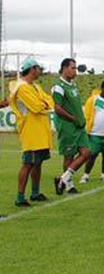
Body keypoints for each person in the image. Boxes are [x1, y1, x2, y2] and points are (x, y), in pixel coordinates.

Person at [8, 58, 53, 207]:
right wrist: (44, 104)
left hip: (40, 130)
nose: (40, 71)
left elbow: (49, 101)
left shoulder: (35, 86)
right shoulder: (22, 88)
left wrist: (45, 103)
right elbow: (36, 107)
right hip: (31, 131)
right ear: (32, 69)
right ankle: (20, 197)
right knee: (28, 163)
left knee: (37, 163)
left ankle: (35, 193)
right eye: (38, 68)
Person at [53, 58, 91, 195]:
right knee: (68, 157)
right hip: (67, 126)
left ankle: (63, 179)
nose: (75, 71)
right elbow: (57, 108)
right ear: (64, 68)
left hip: (79, 126)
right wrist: (72, 118)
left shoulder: (73, 84)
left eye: (75, 68)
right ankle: (69, 186)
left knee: (86, 153)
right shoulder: (58, 86)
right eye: (73, 68)